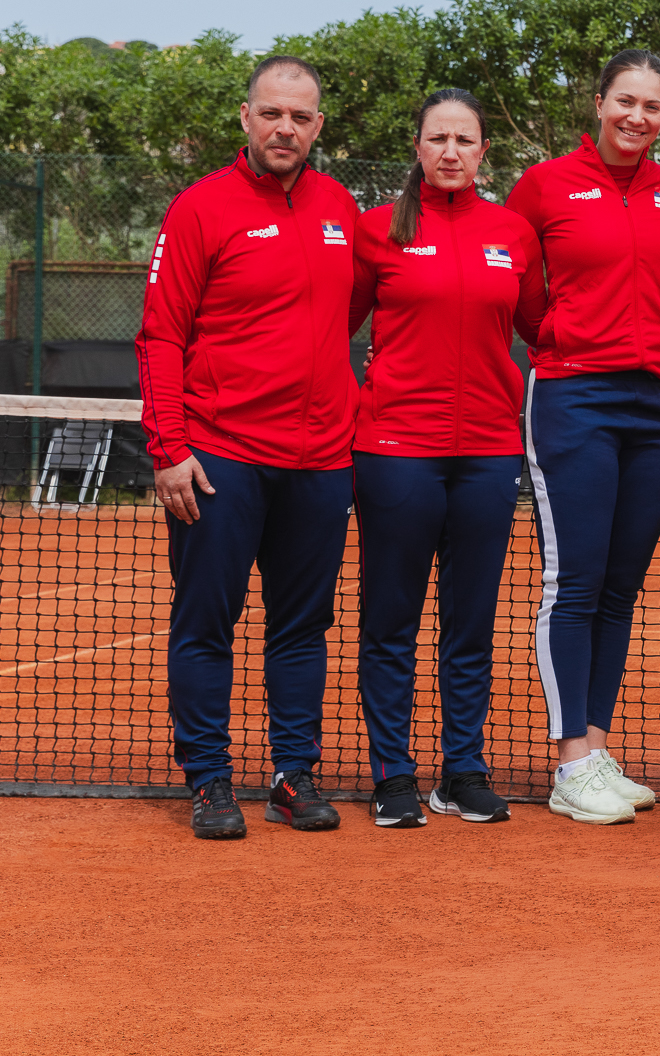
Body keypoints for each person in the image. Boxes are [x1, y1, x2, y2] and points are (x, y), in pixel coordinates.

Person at [138, 54, 359, 840]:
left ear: (318, 126)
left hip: (321, 462)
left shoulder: (340, 207)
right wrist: (169, 448)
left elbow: (352, 311)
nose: (284, 128)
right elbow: (160, 335)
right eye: (272, 113)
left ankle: (294, 777)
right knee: (206, 625)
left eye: (299, 117)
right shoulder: (199, 208)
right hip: (221, 460)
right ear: (246, 116)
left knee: (302, 627)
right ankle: (208, 780)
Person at [349, 89, 545, 828]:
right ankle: (393, 775)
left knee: (471, 622)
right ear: (419, 147)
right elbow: (332, 325)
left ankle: (463, 770)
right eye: (439, 138)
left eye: (465, 140)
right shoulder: (376, 230)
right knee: (391, 620)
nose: (452, 151)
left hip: (489, 451)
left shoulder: (513, 234)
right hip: (396, 452)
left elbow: (542, 328)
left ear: (484, 151)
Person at [506, 49, 660, 826]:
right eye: (626, 101)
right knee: (573, 583)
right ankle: (569, 762)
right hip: (575, 396)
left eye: (651, 106)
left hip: (658, 402)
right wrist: (560, 337)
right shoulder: (544, 185)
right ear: (599, 103)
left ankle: (597, 750)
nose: (637, 117)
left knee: (620, 588)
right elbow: (520, 288)